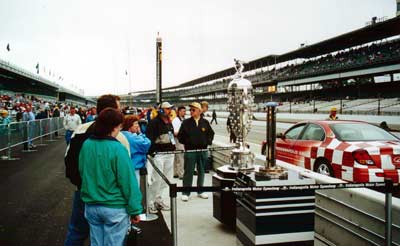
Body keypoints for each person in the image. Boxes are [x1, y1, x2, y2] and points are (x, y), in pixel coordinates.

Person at [64, 94, 131, 246]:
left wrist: (82, 184)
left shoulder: (80, 130)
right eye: (118, 109)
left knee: (76, 233)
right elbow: (126, 174)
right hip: (112, 199)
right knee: (113, 238)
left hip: (84, 192)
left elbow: (69, 161)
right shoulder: (119, 138)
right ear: (111, 111)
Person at [79, 108, 142, 246]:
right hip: (114, 207)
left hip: (91, 205)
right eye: (119, 127)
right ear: (114, 127)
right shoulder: (118, 148)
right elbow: (127, 181)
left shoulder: (87, 144)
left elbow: (82, 172)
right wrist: (135, 209)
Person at [178, 102, 214, 202]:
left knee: (201, 171)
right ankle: (186, 192)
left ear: (199, 111)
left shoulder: (205, 122)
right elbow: (180, 136)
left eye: (193, 110)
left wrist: (207, 142)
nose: (191, 111)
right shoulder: (186, 123)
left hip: (202, 150)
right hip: (190, 150)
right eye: (190, 110)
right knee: (188, 171)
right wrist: (188, 142)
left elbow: (211, 134)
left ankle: (200, 190)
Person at [146, 101, 176, 213]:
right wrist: (152, 152)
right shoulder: (154, 123)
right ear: (162, 110)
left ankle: (158, 199)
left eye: (170, 109)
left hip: (169, 153)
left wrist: (173, 148)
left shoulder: (169, 122)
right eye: (167, 109)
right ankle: (150, 202)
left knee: (166, 179)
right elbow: (150, 138)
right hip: (159, 154)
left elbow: (171, 136)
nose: (170, 111)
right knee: (157, 179)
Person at [121, 115, 151, 186]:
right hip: (134, 167)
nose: (137, 126)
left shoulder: (122, 135)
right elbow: (146, 143)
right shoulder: (132, 137)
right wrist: (140, 133)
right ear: (129, 126)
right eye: (136, 124)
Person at [172, 106, 186, 179]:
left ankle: (176, 173)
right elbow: (174, 132)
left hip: (181, 140)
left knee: (177, 157)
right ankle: (181, 174)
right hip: (178, 140)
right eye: (183, 111)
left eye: (185, 111)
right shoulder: (176, 120)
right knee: (180, 157)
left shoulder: (183, 119)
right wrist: (183, 133)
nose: (185, 112)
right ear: (179, 112)